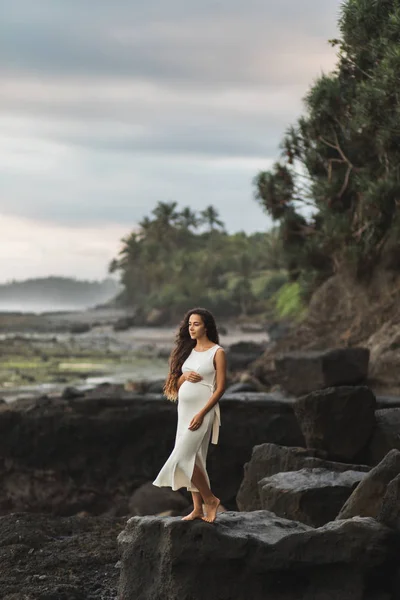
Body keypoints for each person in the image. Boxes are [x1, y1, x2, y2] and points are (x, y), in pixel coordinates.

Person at [153, 307, 226, 523]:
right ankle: (197, 508)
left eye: (196, 324)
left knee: (183, 457)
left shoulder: (217, 352)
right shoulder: (188, 351)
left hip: (203, 410)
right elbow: (175, 384)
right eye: (189, 324)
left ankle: (211, 500)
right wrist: (184, 376)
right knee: (196, 460)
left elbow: (220, 388)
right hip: (184, 412)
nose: (191, 328)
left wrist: (202, 413)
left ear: (206, 327)